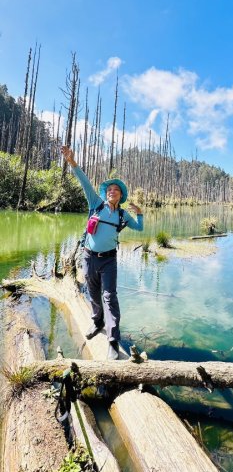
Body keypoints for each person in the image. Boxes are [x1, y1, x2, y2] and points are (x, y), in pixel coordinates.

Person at [61, 146, 143, 360]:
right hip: (88, 257)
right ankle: (97, 322)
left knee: (110, 297)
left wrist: (141, 215)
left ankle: (113, 340)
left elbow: (139, 228)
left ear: (120, 195)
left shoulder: (123, 215)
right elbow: (84, 182)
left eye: (115, 190)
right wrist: (72, 162)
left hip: (109, 261)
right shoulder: (96, 205)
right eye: (109, 189)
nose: (111, 192)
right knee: (93, 294)